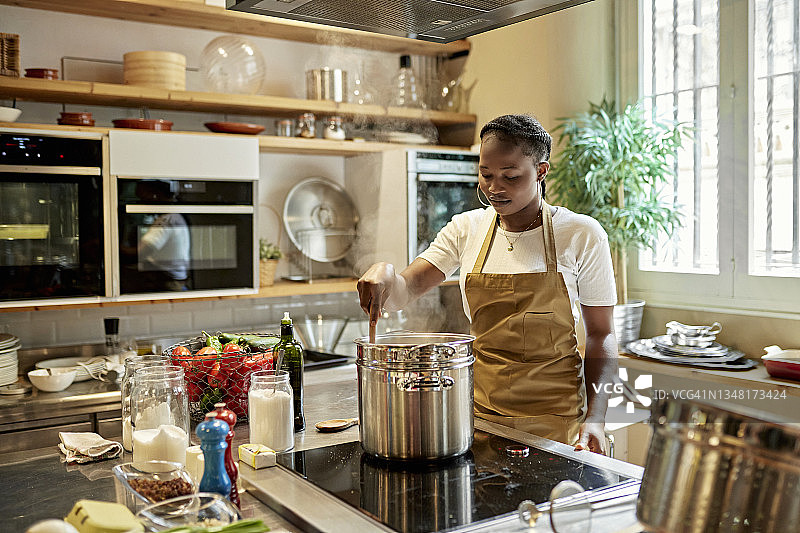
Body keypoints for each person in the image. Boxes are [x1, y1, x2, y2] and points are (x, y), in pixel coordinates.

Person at [356, 114, 618, 454]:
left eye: (510, 176)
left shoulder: (581, 234)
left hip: (557, 423)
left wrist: (596, 417)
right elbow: (402, 292)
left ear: (541, 171)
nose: (494, 188)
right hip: (478, 420)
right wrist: (384, 272)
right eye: (486, 175)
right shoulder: (467, 229)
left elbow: (602, 335)